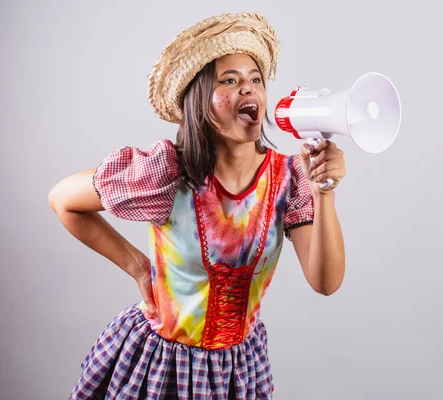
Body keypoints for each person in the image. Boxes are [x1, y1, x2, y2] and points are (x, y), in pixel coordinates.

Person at [49, 12, 346, 399]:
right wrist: (138, 266)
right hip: (159, 365)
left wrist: (324, 191)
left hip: (238, 370)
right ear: (199, 100)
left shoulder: (290, 179)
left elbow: (325, 283)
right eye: (230, 81)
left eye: (255, 79)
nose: (248, 90)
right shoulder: (168, 173)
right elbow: (63, 198)